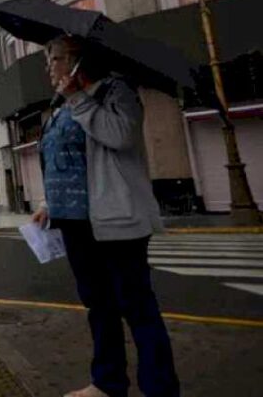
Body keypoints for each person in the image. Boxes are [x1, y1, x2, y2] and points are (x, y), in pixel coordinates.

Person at [32, 35, 179, 397]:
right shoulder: (60, 105)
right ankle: (108, 382)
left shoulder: (116, 92)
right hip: (75, 224)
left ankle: (160, 388)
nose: (50, 67)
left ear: (79, 61)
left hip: (115, 221)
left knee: (137, 307)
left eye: (57, 58)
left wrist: (78, 99)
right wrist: (49, 204)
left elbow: (121, 136)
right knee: (99, 307)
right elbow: (63, 161)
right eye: (48, 60)